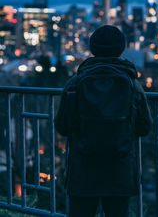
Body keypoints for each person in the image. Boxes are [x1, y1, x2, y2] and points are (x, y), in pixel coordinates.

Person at [55, 25, 152, 217]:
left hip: (82, 169)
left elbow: (62, 126)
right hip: (119, 168)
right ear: (122, 49)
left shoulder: (75, 82)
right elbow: (145, 126)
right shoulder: (132, 83)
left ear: (92, 48)